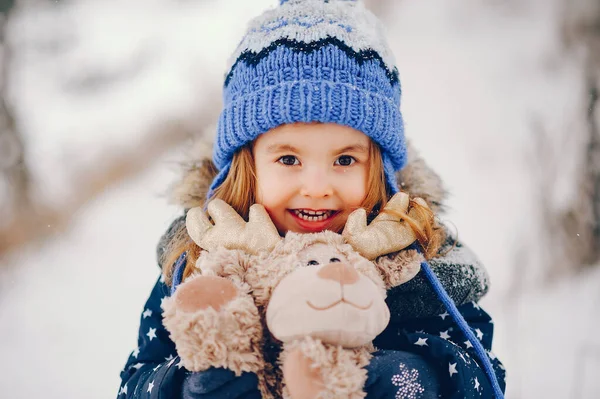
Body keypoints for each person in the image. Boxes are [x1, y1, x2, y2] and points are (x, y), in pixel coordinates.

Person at [117, 0, 506, 398]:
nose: (317, 186)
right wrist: (190, 386)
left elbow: (480, 372)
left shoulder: (416, 262)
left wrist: (405, 379)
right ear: (246, 165)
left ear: (380, 169)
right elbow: (136, 379)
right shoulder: (199, 262)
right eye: (289, 159)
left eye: (345, 159)